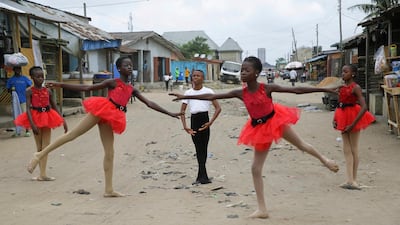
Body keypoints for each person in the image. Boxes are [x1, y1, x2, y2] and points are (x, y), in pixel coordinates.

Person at [170, 56, 339, 219]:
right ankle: (262, 209)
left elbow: (297, 90)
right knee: (255, 169)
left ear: (256, 73)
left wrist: (324, 89)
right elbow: (212, 96)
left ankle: (325, 160)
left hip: (275, 120)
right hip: (259, 128)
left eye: (246, 70)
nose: (242, 73)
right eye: (242, 70)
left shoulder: (266, 88)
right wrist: (185, 96)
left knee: (301, 145)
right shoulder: (240, 92)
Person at [27, 56, 182, 197]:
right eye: (126, 65)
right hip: (102, 110)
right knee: (73, 135)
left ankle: (108, 189)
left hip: (113, 117)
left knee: (110, 152)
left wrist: (170, 113)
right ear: (119, 68)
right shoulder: (113, 82)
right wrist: (61, 84)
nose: (129, 67)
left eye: (131, 65)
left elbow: (150, 103)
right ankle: (39, 155)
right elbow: (87, 89)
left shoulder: (132, 89)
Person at [15, 66, 68, 181]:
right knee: (39, 147)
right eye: (38, 77)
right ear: (32, 77)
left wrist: (63, 120)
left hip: (48, 117)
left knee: (46, 146)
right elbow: (28, 109)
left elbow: (54, 105)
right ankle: (41, 174)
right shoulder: (29, 91)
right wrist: (32, 124)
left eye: (42, 76)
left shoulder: (48, 91)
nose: (41, 79)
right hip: (35, 118)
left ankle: (42, 173)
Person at [333, 65, 375, 190]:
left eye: (346, 72)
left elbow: (364, 107)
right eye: (342, 71)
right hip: (342, 115)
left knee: (354, 148)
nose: (343, 74)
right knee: (346, 149)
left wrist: (353, 124)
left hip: (353, 117)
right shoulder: (341, 87)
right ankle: (349, 179)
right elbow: (339, 104)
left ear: (353, 74)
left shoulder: (355, 87)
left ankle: (354, 180)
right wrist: (335, 119)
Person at [179, 70, 221, 185]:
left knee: (204, 147)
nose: (195, 77)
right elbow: (182, 111)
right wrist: (185, 126)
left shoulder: (208, 91)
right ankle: (202, 176)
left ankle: (202, 176)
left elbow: (218, 108)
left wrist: (211, 122)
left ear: (203, 78)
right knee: (198, 148)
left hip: (205, 120)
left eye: (198, 76)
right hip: (194, 120)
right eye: (194, 76)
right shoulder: (188, 93)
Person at [6, 66, 32, 137]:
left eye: (19, 69)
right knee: (16, 116)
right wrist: (11, 89)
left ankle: (27, 131)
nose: (18, 70)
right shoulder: (11, 80)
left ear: (20, 70)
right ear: (14, 70)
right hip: (15, 101)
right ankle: (18, 131)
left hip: (24, 100)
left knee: (25, 115)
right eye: (16, 69)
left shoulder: (25, 78)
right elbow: (8, 90)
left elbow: (30, 87)